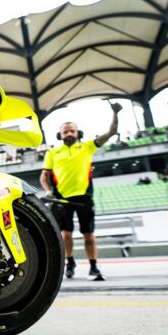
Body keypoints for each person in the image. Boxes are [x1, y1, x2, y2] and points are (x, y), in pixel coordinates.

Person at [39, 102, 121, 281]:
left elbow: (111, 132)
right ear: (60, 135)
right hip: (61, 200)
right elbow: (44, 177)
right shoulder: (52, 152)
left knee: (89, 234)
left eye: (72, 131)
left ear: (78, 133)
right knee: (65, 235)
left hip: (84, 198)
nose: (69, 133)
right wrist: (48, 192)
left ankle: (93, 267)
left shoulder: (87, 147)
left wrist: (115, 113)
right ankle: (70, 263)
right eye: (65, 131)